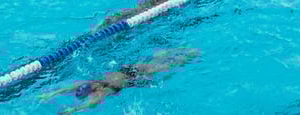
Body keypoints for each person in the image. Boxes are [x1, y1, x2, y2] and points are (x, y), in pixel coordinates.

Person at [40, 48, 200, 113]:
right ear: (92, 90)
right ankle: (188, 55)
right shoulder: (101, 92)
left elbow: (66, 89)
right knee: (162, 67)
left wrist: (51, 94)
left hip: (127, 70)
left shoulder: (89, 83)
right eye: (90, 86)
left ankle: (178, 51)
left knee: (155, 62)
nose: (92, 83)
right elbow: (90, 104)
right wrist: (72, 110)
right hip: (133, 79)